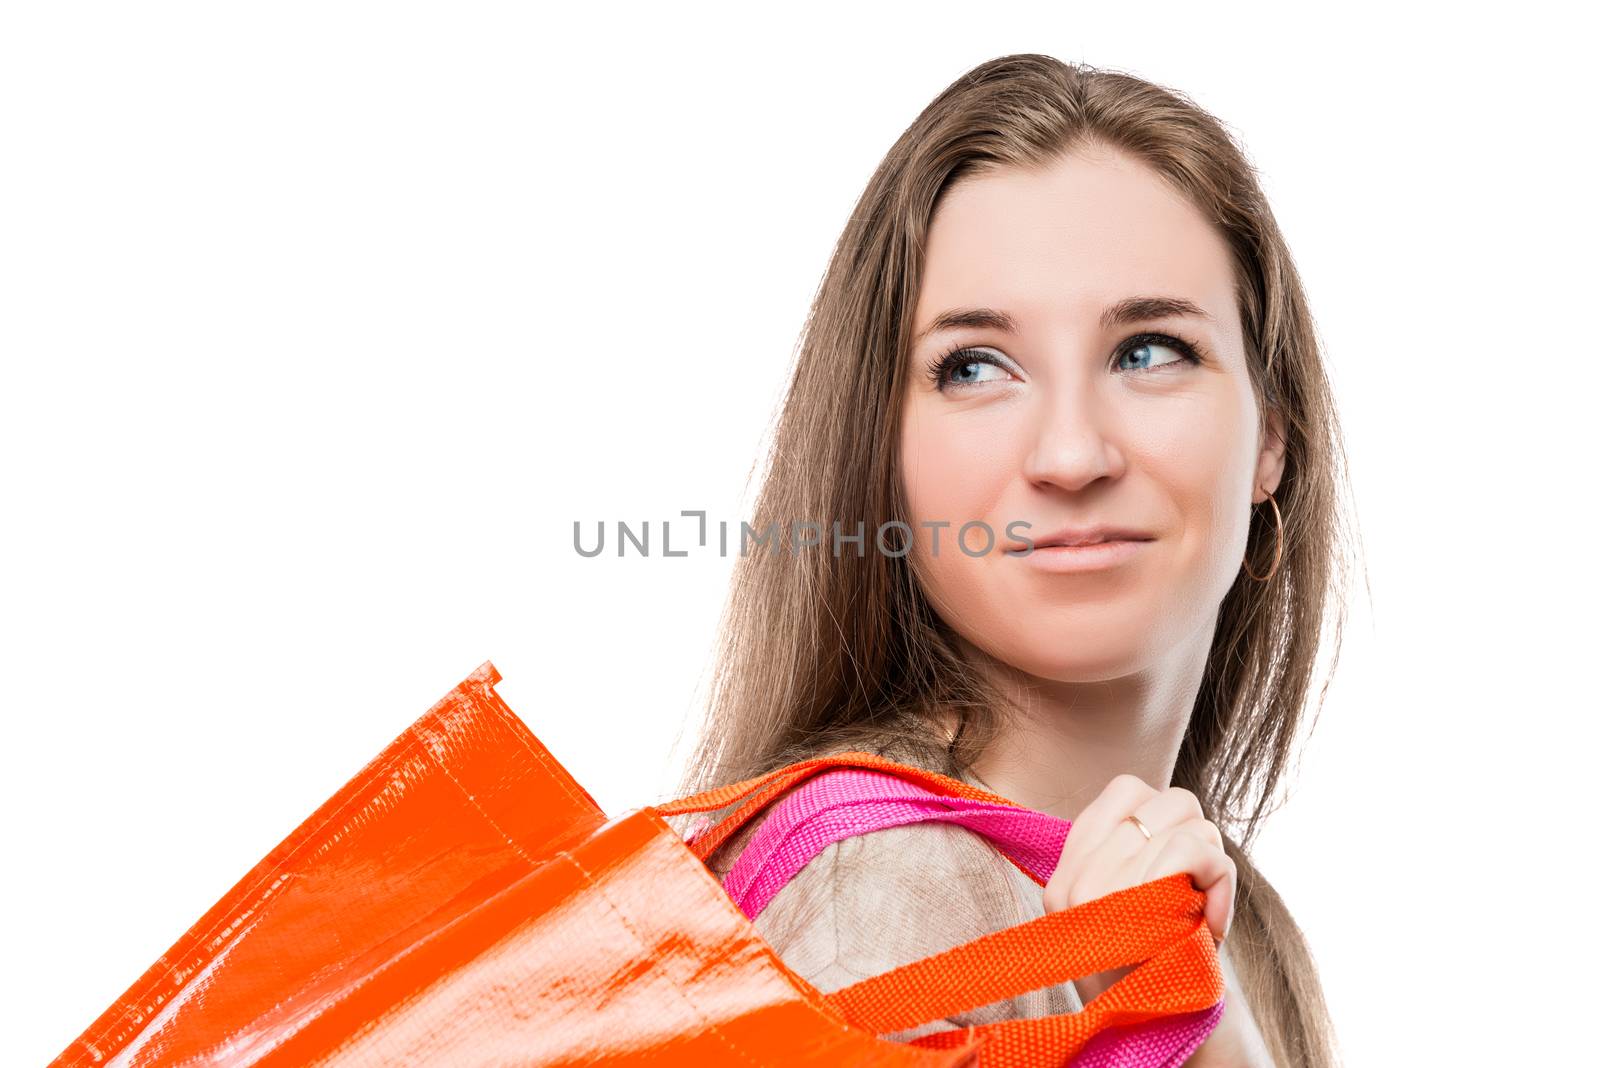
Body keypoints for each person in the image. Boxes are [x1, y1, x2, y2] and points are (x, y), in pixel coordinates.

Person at [676, 52, 1353, 1068]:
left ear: (1272, 437)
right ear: (881, 455)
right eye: (975, 368)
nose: (1072, 454)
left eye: (1149, 350)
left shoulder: (1232, 927)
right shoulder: (883, 882)